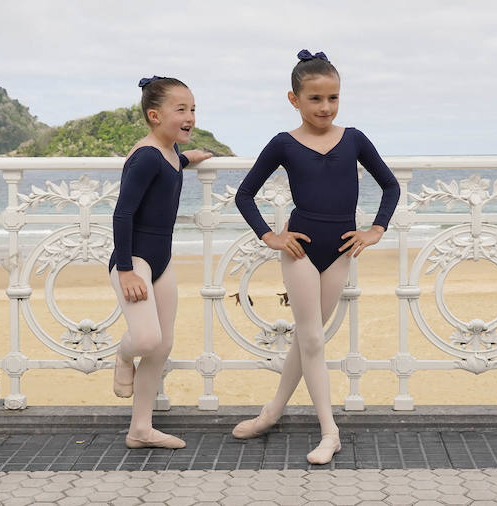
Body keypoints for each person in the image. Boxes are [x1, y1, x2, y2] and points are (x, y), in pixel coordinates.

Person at [229, 50, 401, 465]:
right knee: (311, 338)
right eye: (316, 99)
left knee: (309, 339)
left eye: (333, 98)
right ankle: (330, 431)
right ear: (294, 99)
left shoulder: (355, 139)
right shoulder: (283, 144)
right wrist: (270, 235)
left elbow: (390, 187)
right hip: (300, 249)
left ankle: (272, 411)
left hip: (340, 250)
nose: (326, 107)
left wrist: (376, 229)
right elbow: (244, 194)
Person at [108, 76, 213, 449]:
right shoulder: (146, 155)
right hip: (134, 259)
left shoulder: (167, 153)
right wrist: (125, 270)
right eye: (181, 109)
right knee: (147, 339)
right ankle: (121, 356)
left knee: (163, 345)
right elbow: (123, 214)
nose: (190, 116)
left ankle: (140, 429)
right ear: (155, 115)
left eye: (193, 109)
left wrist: (189, 157)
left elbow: (171, 167)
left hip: (161, 261)